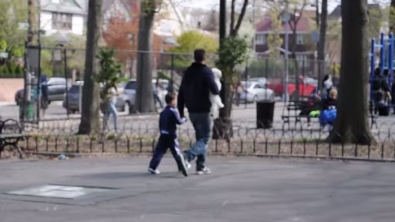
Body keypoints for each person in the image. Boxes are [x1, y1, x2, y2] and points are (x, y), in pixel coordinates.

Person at [178, 49, 220, 175]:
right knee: (205, 138)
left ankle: (201, 166)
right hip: (204, 110)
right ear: (204, 58)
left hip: (191, 110)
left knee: (200, 138)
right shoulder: (206, 72)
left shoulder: (188, 72)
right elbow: (215, 90)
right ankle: (187, 156)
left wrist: (181, 111)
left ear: (194, 57)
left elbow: (181, 93)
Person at [148, 93, 189, 176]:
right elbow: (179, 121)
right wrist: (184, 119)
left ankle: (152, 167)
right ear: (172, 101)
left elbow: (160, 123)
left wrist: (162, 131)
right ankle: (183, 165)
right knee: (176, 151)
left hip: (163, 134)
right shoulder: (173, 111)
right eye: (175, 100)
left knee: (159, 151)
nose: (176, 102)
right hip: (171, 135)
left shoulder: (163, 112)